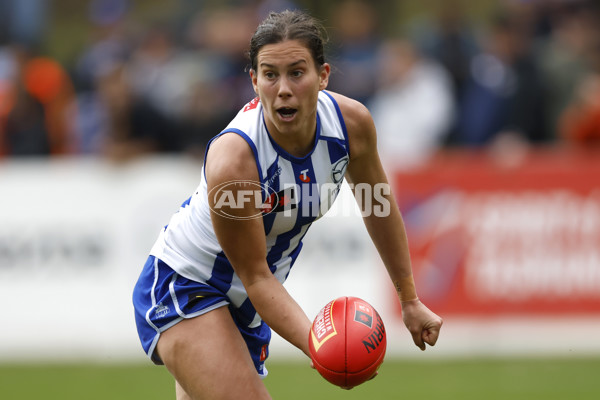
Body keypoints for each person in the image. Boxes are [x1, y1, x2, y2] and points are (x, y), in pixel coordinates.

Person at [132, 10, 442, 400]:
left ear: (323, 75)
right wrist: (322, 346)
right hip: (187, 285)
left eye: (297, 72)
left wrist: (409, 300)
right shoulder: (235, 160)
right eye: (270, 74)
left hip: (246, 303)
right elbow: (256, 275)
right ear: (254, 81)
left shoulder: (352, 125)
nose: (282, 89)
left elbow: (377, 206)